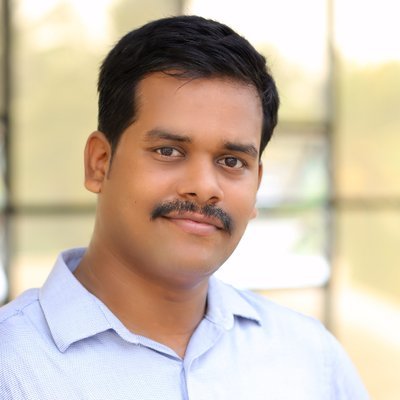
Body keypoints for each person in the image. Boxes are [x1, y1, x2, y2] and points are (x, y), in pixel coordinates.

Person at [0, 15, 368, 399]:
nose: (204, 187)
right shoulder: (11, 366)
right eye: (168, 151)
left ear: (256, 186)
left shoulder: (311, 360)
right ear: (99, 163)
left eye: (231, 161)